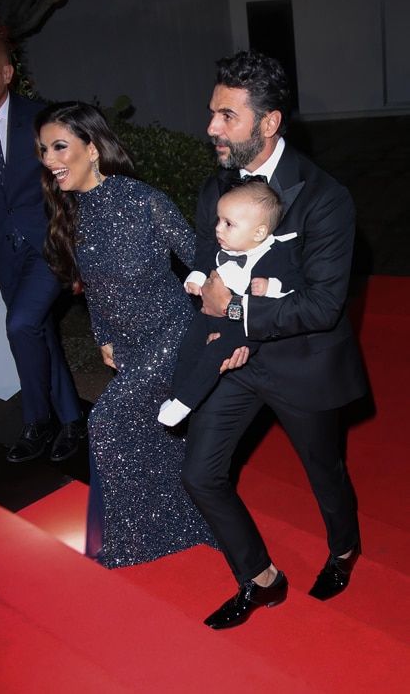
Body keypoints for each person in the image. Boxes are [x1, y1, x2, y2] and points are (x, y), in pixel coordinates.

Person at [181, 49, 367, 629]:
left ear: (268, 122)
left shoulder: (325, 197)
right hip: (237, 362)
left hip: (304, 365)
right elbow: (205, 266)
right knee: (199, 473)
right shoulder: (216, 187)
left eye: (227, 117)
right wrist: (216, 315)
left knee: (324, 472)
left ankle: (343, 549)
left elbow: (322, 305)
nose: (211, 127)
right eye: (212, 112)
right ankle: (259, 577)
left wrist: (237, 312)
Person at [35, 101, 215, 567]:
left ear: (92, 149)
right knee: (156, 434)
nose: (50, 160)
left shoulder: (143, 200)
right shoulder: (73, 213)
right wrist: (103, 337)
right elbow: (93, 288)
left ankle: (130, 541)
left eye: (60, 147)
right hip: (129, 343)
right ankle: (181, 527)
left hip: (172, 332)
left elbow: (200, 257)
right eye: (43, 150)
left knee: (106, 421)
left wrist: (221, 314)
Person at [0, 35, 84, 463]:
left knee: (21, 324)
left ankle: (37, 420)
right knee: (38, 330)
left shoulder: (40, 120)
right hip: (0, 253)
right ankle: (70, 420)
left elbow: (73, 183)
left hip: (47, 246)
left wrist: (81, 248)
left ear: (7, 73)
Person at [158, 179, 301, 426]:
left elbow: (296, 286)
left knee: (214, 354)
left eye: (228, 224)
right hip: (210, 314)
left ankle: (185, 404)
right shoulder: (225, 245)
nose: (218, 229)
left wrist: (272, 286)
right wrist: (197, 278)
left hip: (245, 326)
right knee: (189, 346)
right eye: (219, 220)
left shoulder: (277, 255)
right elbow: (204, 263)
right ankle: (177, 394)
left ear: (258, 232)